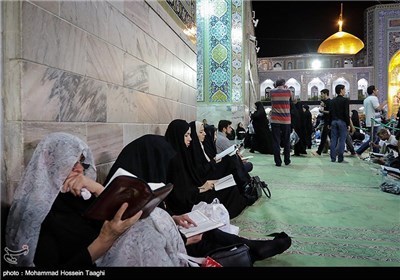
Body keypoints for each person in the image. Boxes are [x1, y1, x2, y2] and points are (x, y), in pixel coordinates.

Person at [5, 132, 187, 267]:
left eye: (81, 162)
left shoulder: (80, 196)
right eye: (69, 162)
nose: (78, 169)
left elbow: (124, 216)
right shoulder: (37, 215)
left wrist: (98, 189)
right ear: (49, 165)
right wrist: (105, 240)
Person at [104, 134, 292, 264]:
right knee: (202, 240)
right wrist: (179, 237)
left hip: (170, 229)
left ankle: (249, 246)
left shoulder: (139, 178)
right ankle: (248, 251)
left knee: (203, 229)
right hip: (155, 245)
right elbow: (134, 240)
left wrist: (173, 219)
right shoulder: (120, 193)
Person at [165, 119, 255, 218]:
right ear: (177, 136)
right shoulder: (175, 160)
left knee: (232, 179)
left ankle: (245, 191)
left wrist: (202, 186)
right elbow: (181, 194)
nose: (190, 139)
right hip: (190, 200)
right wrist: (202, 187)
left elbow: (190, 181)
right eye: (186, 135)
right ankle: (245, 195)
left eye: (190, 135)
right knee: (230, 185)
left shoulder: (183, 154)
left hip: (196, 190)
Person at [356, 85, 387, 158]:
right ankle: (359, 151)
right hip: (375, 122)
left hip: (370, 121)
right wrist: (384, 103)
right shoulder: (373, 98)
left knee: (376, 139)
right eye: (376, 90)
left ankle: (376, 154)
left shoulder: (366, 99)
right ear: (373, 91)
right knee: (373, 139)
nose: (377, 91)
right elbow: (378, 108)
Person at [270, 78, 292, 166]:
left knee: (276, 141)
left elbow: (273, 89)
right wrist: (286, 88)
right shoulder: (288, 92)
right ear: (284, 83)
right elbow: (293, 100)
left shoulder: (272, 91)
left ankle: (278, 162)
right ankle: (287, 160)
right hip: (286, 120)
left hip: (275, 120)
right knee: (286, 141)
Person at [329, 84, 350, 163]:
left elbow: (330, 113)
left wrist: (329, 123)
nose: (345, 91)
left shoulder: (332, 101)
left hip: (333, 121)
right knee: (342, 140)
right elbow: (346, 113)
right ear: (341, 90)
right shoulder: (345, 100)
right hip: (342, 122)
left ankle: (333, 158)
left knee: (333, 140)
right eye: (344, 89)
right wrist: (348, 124)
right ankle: (340, 158)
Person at [313, 89, 331, 156]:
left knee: (324, 137)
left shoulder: (329, 102)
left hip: (328, 122)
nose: (321, 95)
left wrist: (322, 111)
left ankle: (319, 151)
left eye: (322, 94)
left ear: (326, 94)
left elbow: (330, 112)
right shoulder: (325, 102)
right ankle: (323, 151)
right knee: (325, 137)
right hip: (326, 121)